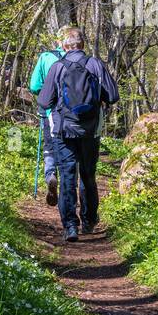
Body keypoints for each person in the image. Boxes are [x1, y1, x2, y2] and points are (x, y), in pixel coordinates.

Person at [37, 28, 119, 242]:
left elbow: (44, 102)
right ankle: (89, 220)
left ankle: (70, 227)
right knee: (88, 175)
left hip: (64, 131)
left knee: (67, 176)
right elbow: (112, 96)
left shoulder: (57, 67)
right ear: (83, 45)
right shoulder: (95, 65)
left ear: (65, 46)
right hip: (90, 130)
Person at [28, 33, 66, 205]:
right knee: (70, 149)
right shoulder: (82, 59)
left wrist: (45, 94)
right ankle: (68, 186)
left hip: (49, 110)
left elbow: (34, 86)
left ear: (58, 40)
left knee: (49, 146)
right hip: (74, 114)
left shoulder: (45, 57)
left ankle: (50, 174)